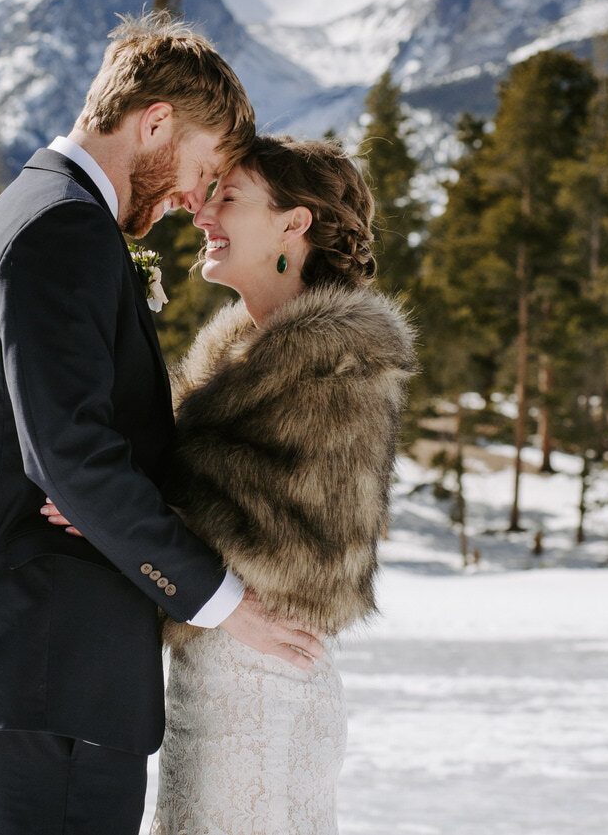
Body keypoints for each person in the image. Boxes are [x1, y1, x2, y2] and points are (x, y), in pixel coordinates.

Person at [0, 15, 326, 835]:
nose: (192, 199)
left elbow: (75, 456)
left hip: (44, 655)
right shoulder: (63, 226)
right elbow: (73, 458)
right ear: (155, 121)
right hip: (55, 655)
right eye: (201, 168)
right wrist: (224, 601)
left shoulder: (41, 210)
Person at [51, 136, 415, 833]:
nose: (204, 214)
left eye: (229, 197)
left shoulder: (336, 365)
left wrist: (127, 512)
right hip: (221, 678)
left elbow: (317, 554)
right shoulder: (246, 355)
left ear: (293, 223)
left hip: (260, 693)